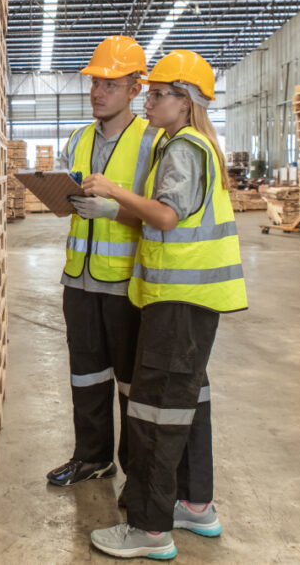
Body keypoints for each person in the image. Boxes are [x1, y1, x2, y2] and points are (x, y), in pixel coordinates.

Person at [81, 49, 248, 560]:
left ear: (186, 101)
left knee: (155, 413)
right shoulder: (195, 145)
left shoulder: (182, 148)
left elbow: (167, 217)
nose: (148, 102)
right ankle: (196, 505)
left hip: (178, 301)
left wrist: (114, 191)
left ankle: (150, 529)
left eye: (157, 95)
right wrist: (112, 209)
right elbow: (165, 216)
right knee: (187, 403)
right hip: (193, 301)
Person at [45, 36, 164, 488]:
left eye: (110, 84)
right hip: (78, 279)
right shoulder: (79, 138)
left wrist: (115, 210)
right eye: (95, 82)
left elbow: (164, 214)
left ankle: (137, 472)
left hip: (127, 283)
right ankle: (92, 457)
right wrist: (58, 197)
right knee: (86, 375)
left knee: (132, 383)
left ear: (135, 89)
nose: (98, 92)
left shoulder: (152, 140)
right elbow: (66, 196)